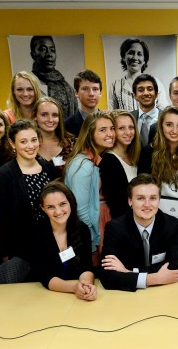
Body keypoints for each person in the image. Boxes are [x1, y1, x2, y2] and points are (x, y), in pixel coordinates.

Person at [137, 106, 178, 272]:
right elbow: (142, 190)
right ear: (161, 126)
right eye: (169, 125)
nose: (174, 130)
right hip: (156, 223)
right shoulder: (148, 154)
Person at [0, 120, 60, 272]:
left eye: (34, 140)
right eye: (23, 141)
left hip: (52, 244)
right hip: (21, 250)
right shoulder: (3, 176)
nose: (30, 146)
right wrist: (5, 253)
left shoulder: (49, 169)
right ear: (12, 143)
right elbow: (1, 219)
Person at [100, 174, 178, 292]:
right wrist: (154, 278)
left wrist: (128, 272)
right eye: (140, 198)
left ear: (159, 200)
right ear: (130, 201)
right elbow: (107, 276)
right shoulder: (115, 228)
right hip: (127, 296)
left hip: (164, 291)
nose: (147, 204)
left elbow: (176, 268)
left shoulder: (172, 225)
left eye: (153, 198)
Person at [64, 112, 116, 264]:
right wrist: (92, 246)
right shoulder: (83, 166)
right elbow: (81, 212)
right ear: (90, 134)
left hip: (102, 223)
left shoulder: (97, 159)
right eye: (103, 130)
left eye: (112, 128)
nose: (110, 134)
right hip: (92, 233)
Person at [33, 181, 97, 300]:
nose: (58, 211)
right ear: (42, 208)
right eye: (50, 207)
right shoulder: (36, 232)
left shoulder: (82, 229)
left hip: (77, 297)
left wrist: (86, 286)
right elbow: (44, 275)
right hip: (45, 296)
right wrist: (74, 287)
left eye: (62, 204)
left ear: (70, 203)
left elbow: (86, 267)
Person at [109, 38, 170, 112]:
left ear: (144, 60)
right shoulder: (115, 86)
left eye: (139, 54)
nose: (135, 57)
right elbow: (112, 113)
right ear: (124, 57)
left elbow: (164, 109)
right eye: (131, 53)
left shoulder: (155, 82)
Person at [99, 110, 140, 219]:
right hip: (124, 222)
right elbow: (116, 204)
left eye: (131, 127)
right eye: (121, 128)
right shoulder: (108, 161)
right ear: (113, 131)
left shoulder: (136, 156)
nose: (128, 132)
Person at [30, 36, 77, 117]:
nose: (49, 54)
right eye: (43, 49)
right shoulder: (28, 85)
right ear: (33, 54)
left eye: (52, 50)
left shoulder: (67, 88)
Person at [33, 96, 76, 168]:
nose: (50, 120)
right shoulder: (27, 146)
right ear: (35, 116)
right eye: (44, 115)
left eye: (55, 115)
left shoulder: (73, 144)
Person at [64, 70, 103, 136]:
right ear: (76, 93)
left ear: (100, 93)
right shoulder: (66, 125)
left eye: (95, 89)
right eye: (85, 89)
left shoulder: (110, 121)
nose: (91, 94)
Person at [130, 74, 162, 147]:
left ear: (156, 94)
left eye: (150, 89)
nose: (146, 93)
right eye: (141, 90)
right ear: (135, 95)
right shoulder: (129, 118)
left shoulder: (166, 117)